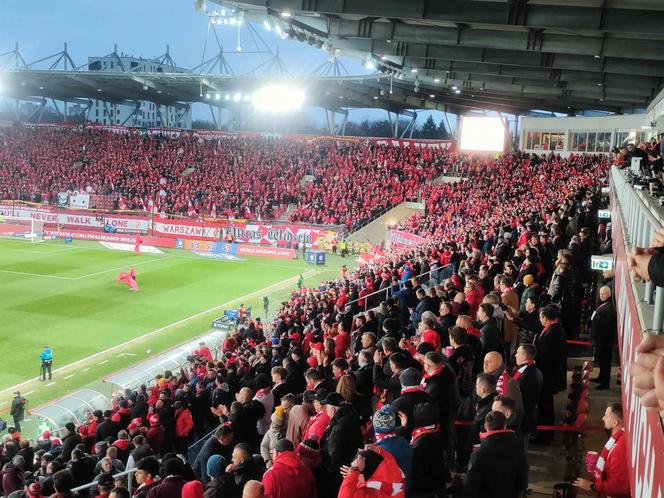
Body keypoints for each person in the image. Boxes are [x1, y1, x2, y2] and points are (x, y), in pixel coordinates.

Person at [463, 411, 528, 498]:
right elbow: (523, 481)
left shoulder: (479, 454)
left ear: (486, 426)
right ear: (505, 426)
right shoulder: (517, 449)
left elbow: (470, 486)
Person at [572, 403, 630, 498]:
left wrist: (592, 486)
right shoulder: (617, 440)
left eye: (606, 416)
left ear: (615, 423)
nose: (603, 418)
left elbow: (619, 487)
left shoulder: (618, 450)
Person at [338, 446, 405, 498]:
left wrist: (354, 473)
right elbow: (389, 459)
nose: (352, 463)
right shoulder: (393, 469)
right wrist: (378, 450)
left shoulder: (371, 492)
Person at [591, 286, 617, 390]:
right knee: (602, 361)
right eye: (600, 294)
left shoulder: (609, 308)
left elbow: (606, 327)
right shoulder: (604, 305)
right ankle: (601, 377)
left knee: (605, 362)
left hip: (604, 341)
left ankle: (605, 383)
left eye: (604, 294)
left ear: (609, 294)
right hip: (601, 340)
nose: (601, 296)